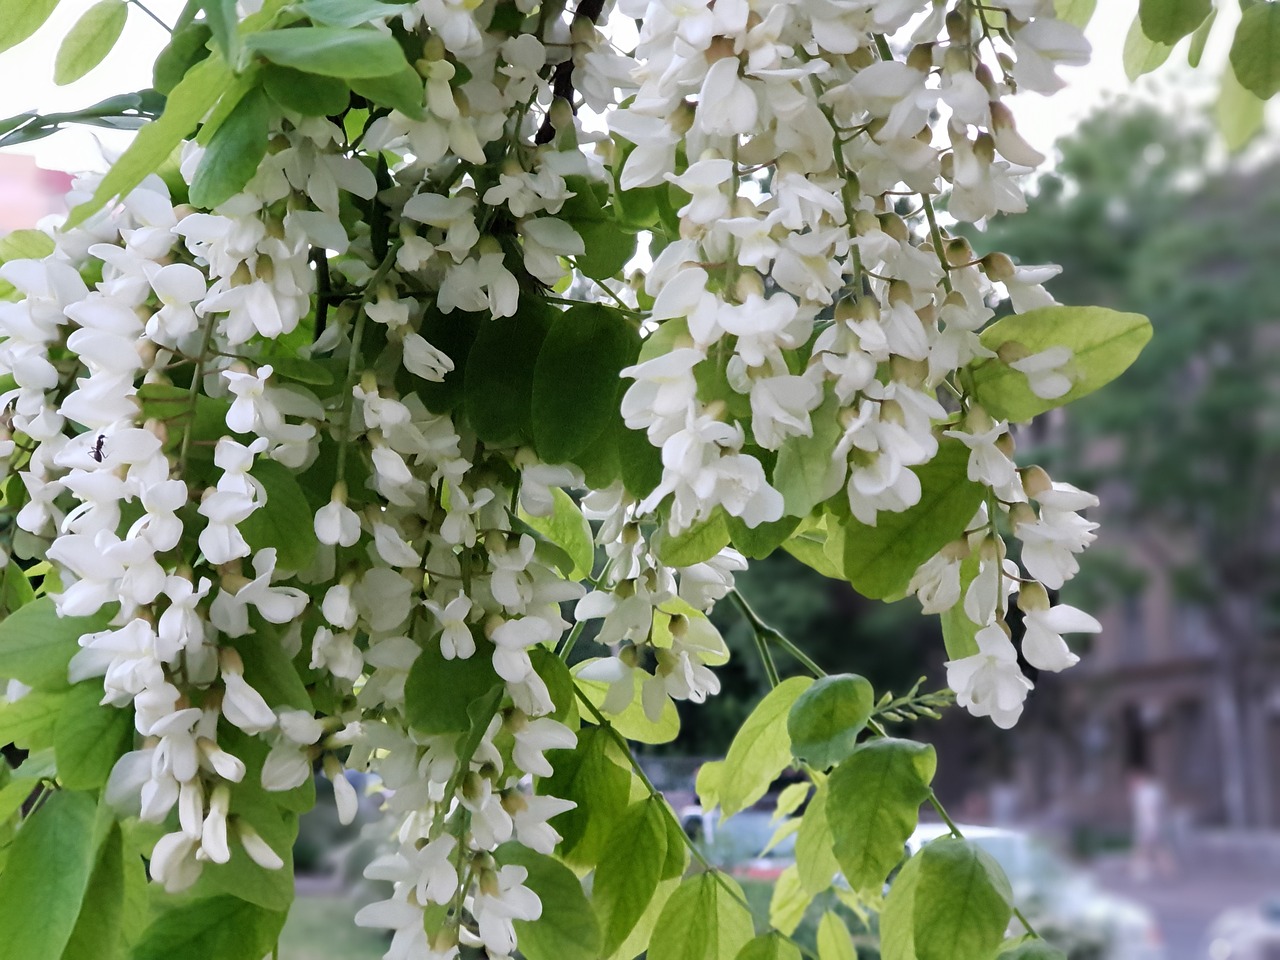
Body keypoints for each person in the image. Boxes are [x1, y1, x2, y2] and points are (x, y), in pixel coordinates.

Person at [1128, 767, 1176, 881]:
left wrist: (1151, 829)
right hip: (1148, 827)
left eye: (1133, 782)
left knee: (1150, 851)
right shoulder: (1140, 793)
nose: (1131, 785)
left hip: (1150, 827)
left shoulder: (1147, 793)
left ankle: (1140, 874)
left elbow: (1152, 812)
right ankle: (1169, 872)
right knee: (1155, 851)